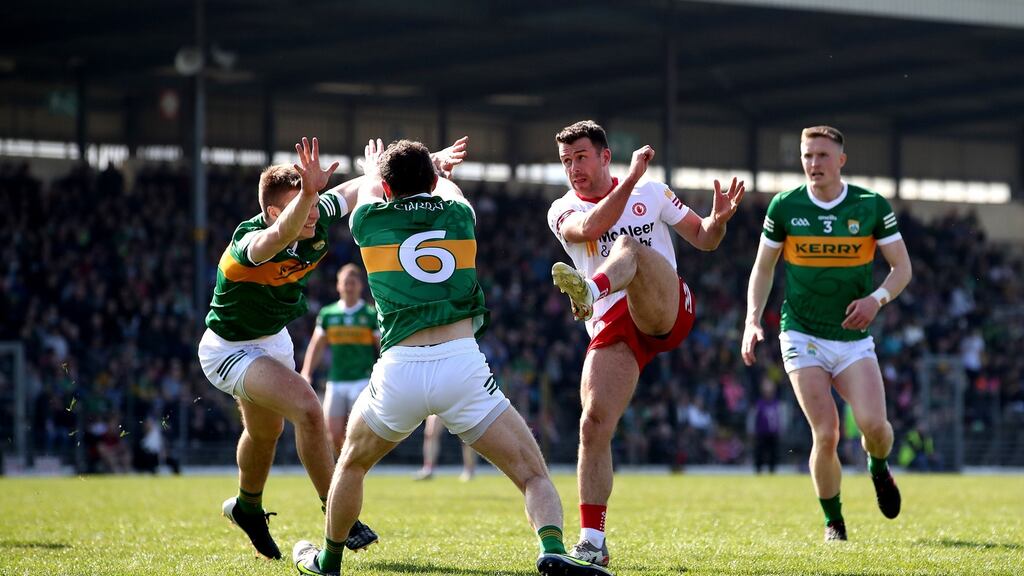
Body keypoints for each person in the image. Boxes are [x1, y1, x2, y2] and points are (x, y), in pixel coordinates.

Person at [292, 137, 611, 576]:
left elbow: (364, 191)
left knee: (350, 465)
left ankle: (328, 561)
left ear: (386, 187)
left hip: (399, 369)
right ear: (433, 180)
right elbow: (444, 187)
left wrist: (374, 171)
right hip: (461, 365)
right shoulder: (460, 213)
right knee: (533, 475)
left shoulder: (369, 218)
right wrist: (436, 168)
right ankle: (551, 547)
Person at [546, 120, 744, 567]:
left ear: (603, 156)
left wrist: (719, 220)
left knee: (631, 252)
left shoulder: (652, 193)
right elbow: (589, 227)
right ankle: (593, 544)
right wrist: (631, 178)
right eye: (565, 161)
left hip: (665, 306)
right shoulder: (561, 207)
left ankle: (588, 290)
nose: (573, 168)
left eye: (580, 157)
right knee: (592, 424)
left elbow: (705, 240)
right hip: (613, 324)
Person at [197, 137, 378, 559]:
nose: (316, 212)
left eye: (314, 202)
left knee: (266, 433)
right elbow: (278, 235)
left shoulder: (311, 214)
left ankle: (247, 507)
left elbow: (353, 190)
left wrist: (416, 168)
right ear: (276, 211)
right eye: (306, 204)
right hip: (229, 349)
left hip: (272, 339)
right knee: (309, 411)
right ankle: (339, 515)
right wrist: (309, 196)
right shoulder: (248, 247)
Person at [741, 125, 912, 541]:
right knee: (827, 431)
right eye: (807, 155)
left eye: (821, 155)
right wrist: (751, 320)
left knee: (875, 426)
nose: (813, 163)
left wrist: (877, 299)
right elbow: (763, 268)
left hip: (852, 340)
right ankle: (834, 522)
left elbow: (902, 268)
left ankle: (878, 467)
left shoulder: (870, 206)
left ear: (841, 160)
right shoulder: (785, 206)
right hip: (801, 334)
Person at [300, 263, 380, 457]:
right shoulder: (328, 314)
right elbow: (316, 346)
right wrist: (307, 373)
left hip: (361, 381)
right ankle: (347, 466)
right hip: (336, 381)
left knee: (357, 432)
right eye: (345, 283)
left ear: (360, 285)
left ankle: (356, 468)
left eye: (352, 283)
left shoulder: (370, 315)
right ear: (338, 286)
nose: (349, 287)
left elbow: (381, 348)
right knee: (333, 433)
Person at [414, 414, 477, 481]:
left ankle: (469, 471)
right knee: (431, 432)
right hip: (439, 405)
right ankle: (428, 469)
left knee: (467, 436)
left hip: (459, 405)